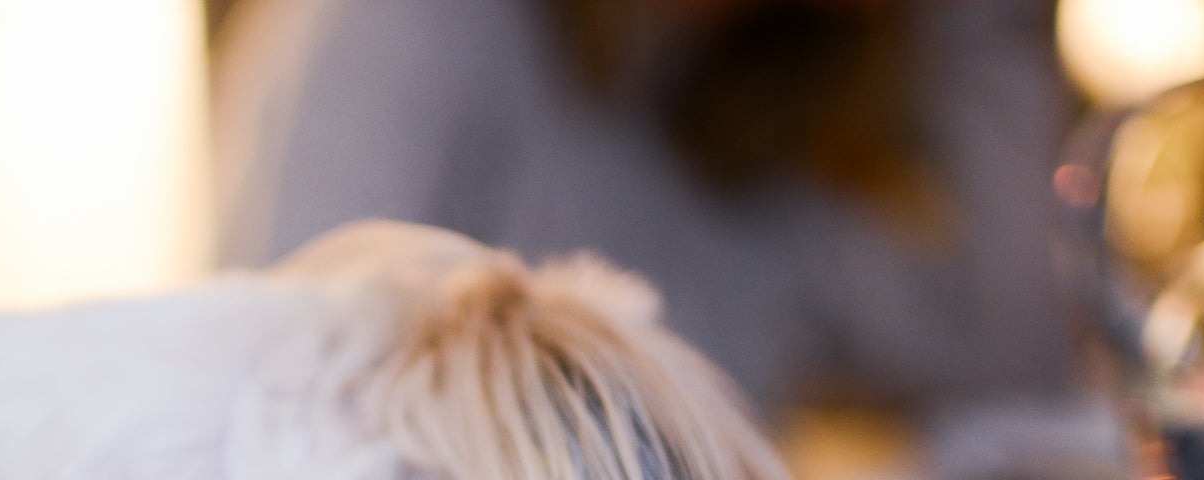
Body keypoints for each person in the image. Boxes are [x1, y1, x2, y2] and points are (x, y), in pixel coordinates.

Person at [207, 0, 1071, 416]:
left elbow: (1009, 352)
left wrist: (983, 26)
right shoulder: (405, 29)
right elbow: (282, 400)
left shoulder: (776, 80)